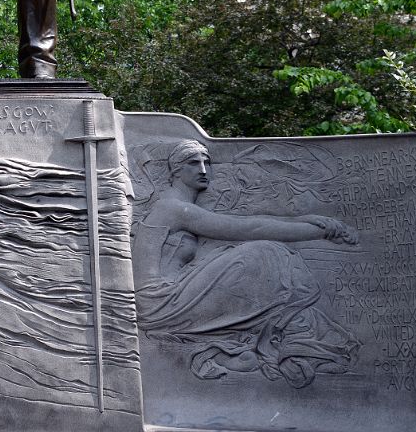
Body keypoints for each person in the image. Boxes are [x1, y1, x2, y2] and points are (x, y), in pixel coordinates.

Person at [133, 140, 360, 389]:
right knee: (264, 253)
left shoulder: (181, 207)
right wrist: (317, 232)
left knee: (256, 264)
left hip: (174, 292)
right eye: (193, 163)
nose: (203, 169)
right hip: (161, 300)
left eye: (207, 162)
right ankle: (279, 344)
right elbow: (249, 228)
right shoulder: (173, 208)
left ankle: (282, 342)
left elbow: (249, 220)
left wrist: (306, 219)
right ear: (175, 170)